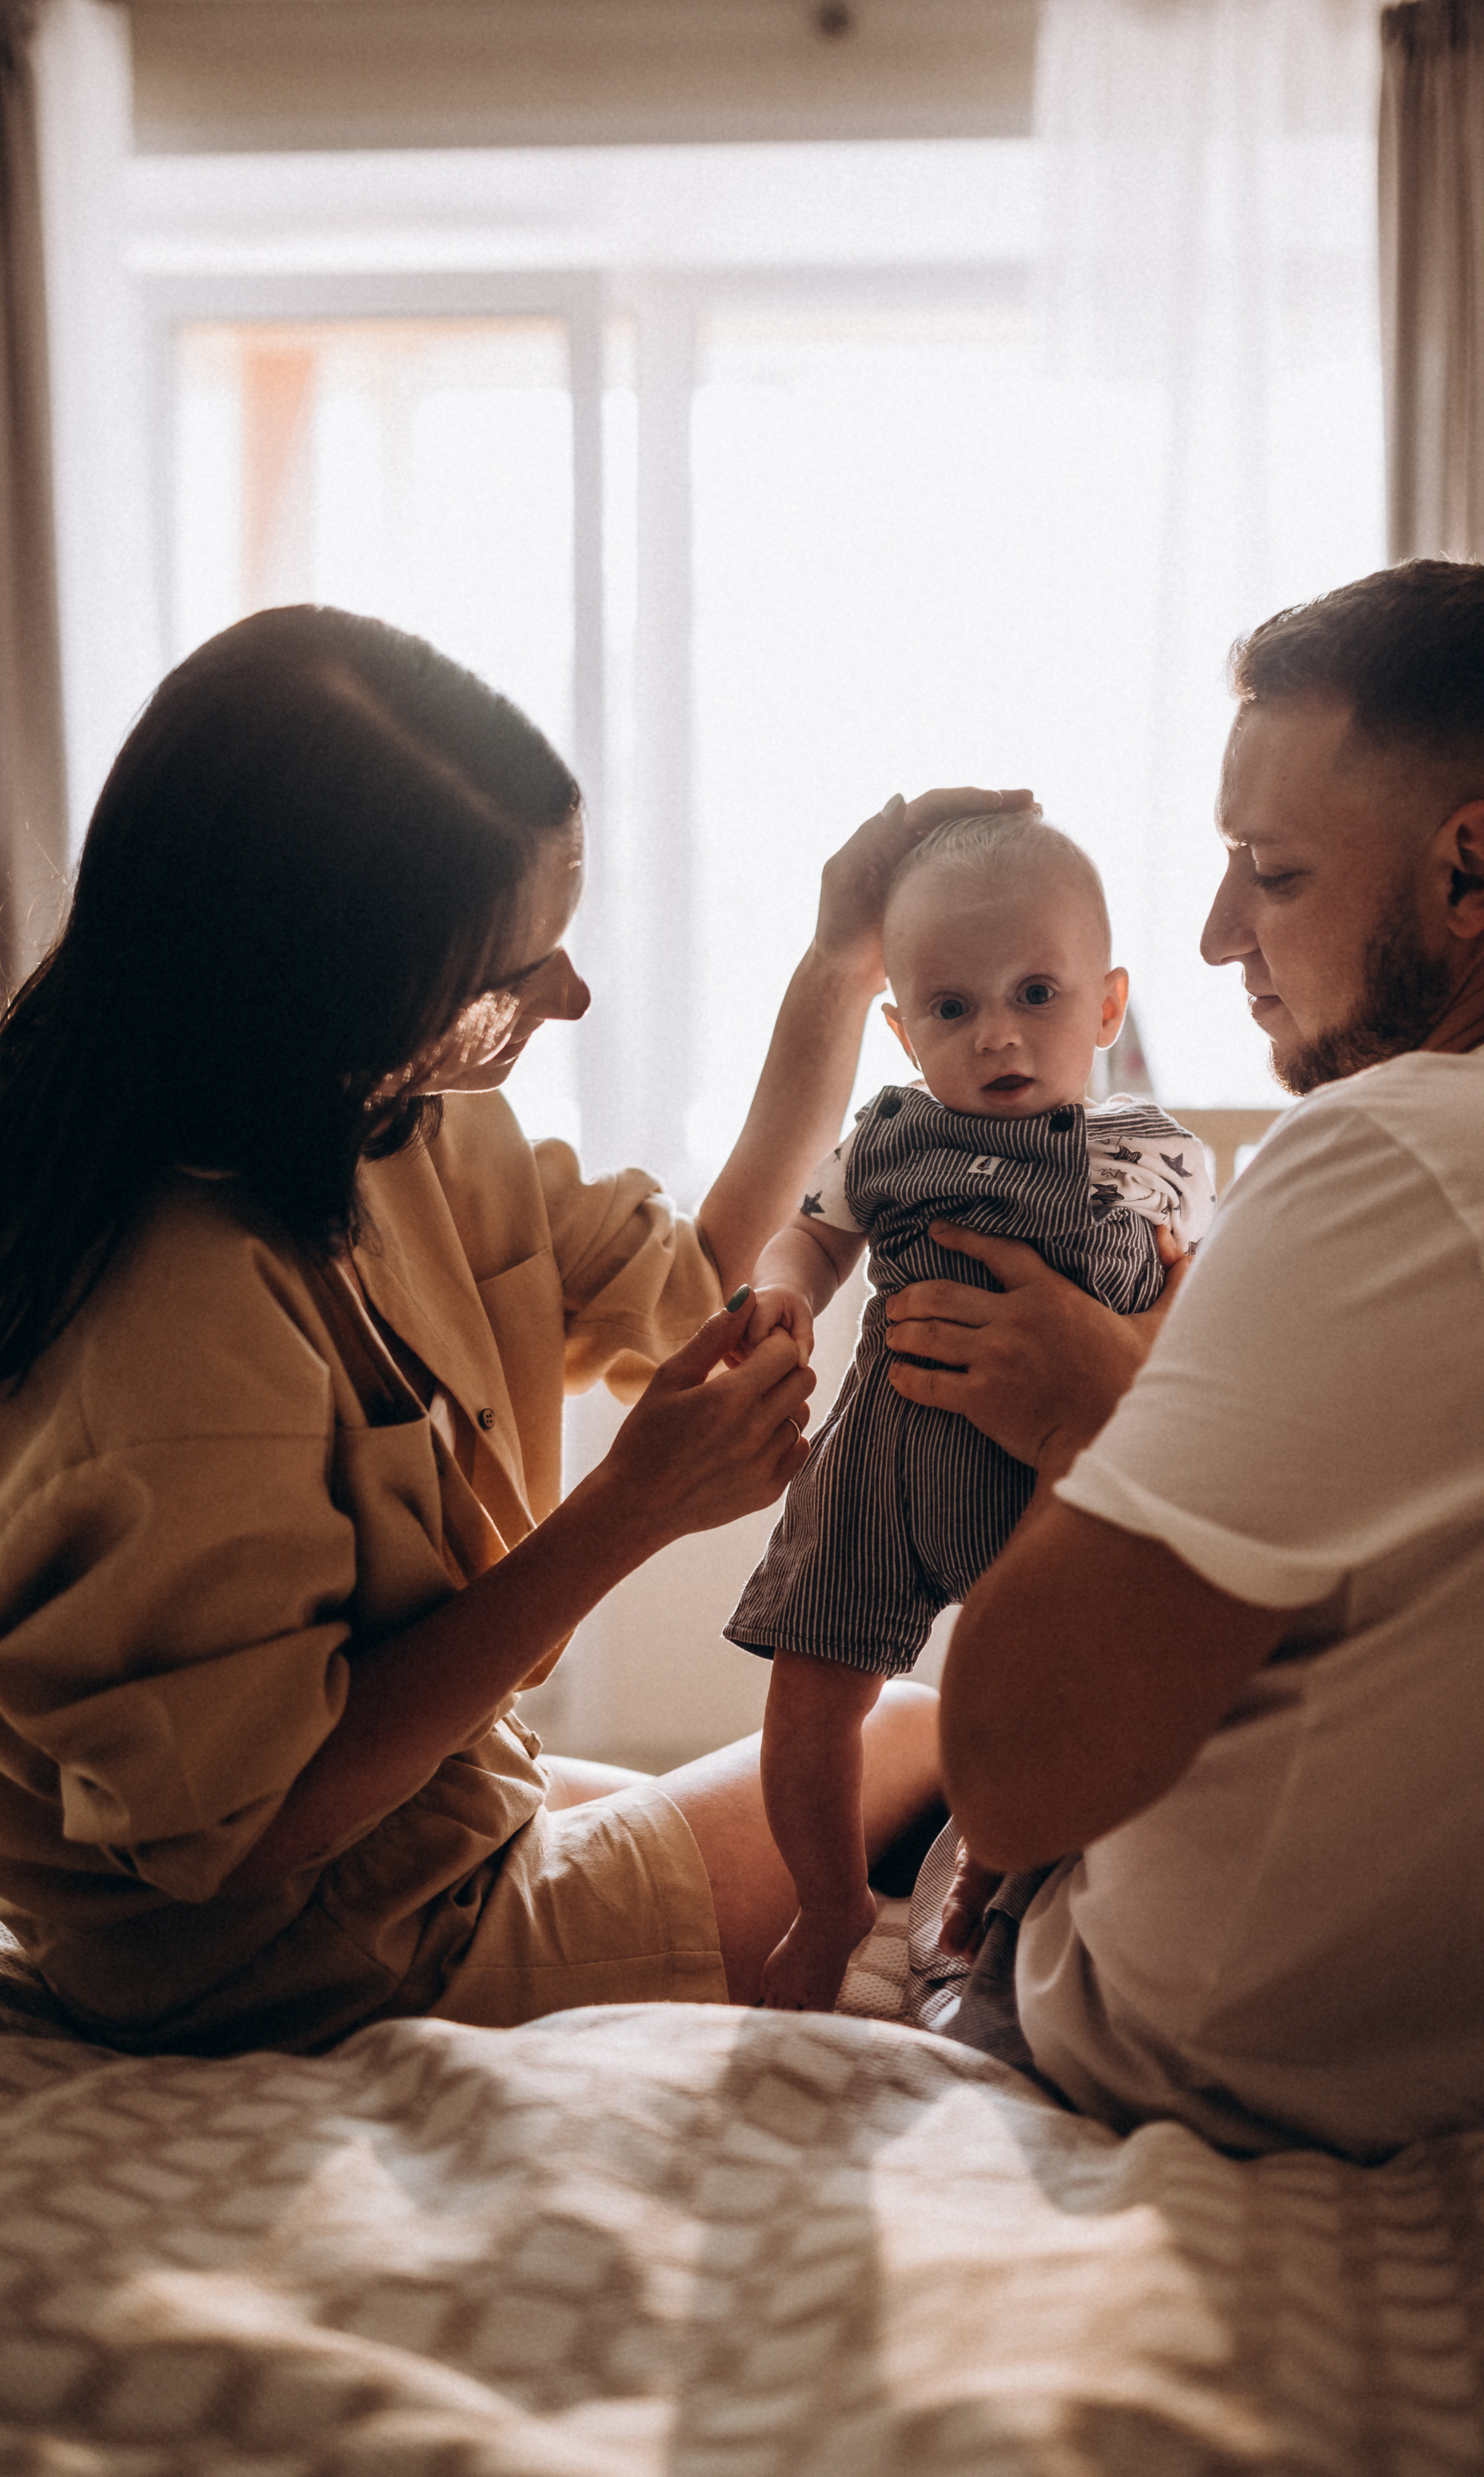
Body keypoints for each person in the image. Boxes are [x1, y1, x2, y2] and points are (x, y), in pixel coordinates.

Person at [0, 603, 1024, 2055]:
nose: (572, 995)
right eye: (508, 978)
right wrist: (627, 1511)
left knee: (878, 1750)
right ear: (326, 985)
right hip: (273, 1953)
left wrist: (836, 968)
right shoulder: (169, 1333)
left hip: (430, 1825)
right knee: (917, 1740)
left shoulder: (383, 1120)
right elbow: (239, 1830)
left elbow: (685, 1280)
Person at [895, 559, 1484, 2158]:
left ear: (1468, 873)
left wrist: (1086, 1418)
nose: (1216, 931)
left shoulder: (1384, 1152)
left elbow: (1017, 1767)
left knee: (897, 1773)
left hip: (1198, 2058)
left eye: (1273, 872)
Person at [724, 813, 1214, 2010]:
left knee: (1040, 1704)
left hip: (1055, 1480)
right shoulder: (887, 1136)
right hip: (887, 1465)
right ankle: (833, 1897)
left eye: (1036, 994)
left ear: (1106, 1007)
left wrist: (1154, 1340)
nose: (996, 1032)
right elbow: (810, 1233)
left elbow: (1206, 1299)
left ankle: (990, 1878)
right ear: (900, 1029)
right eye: (950, 1009)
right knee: (807, 1696)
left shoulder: (1158, 1157)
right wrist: (781, 1298)